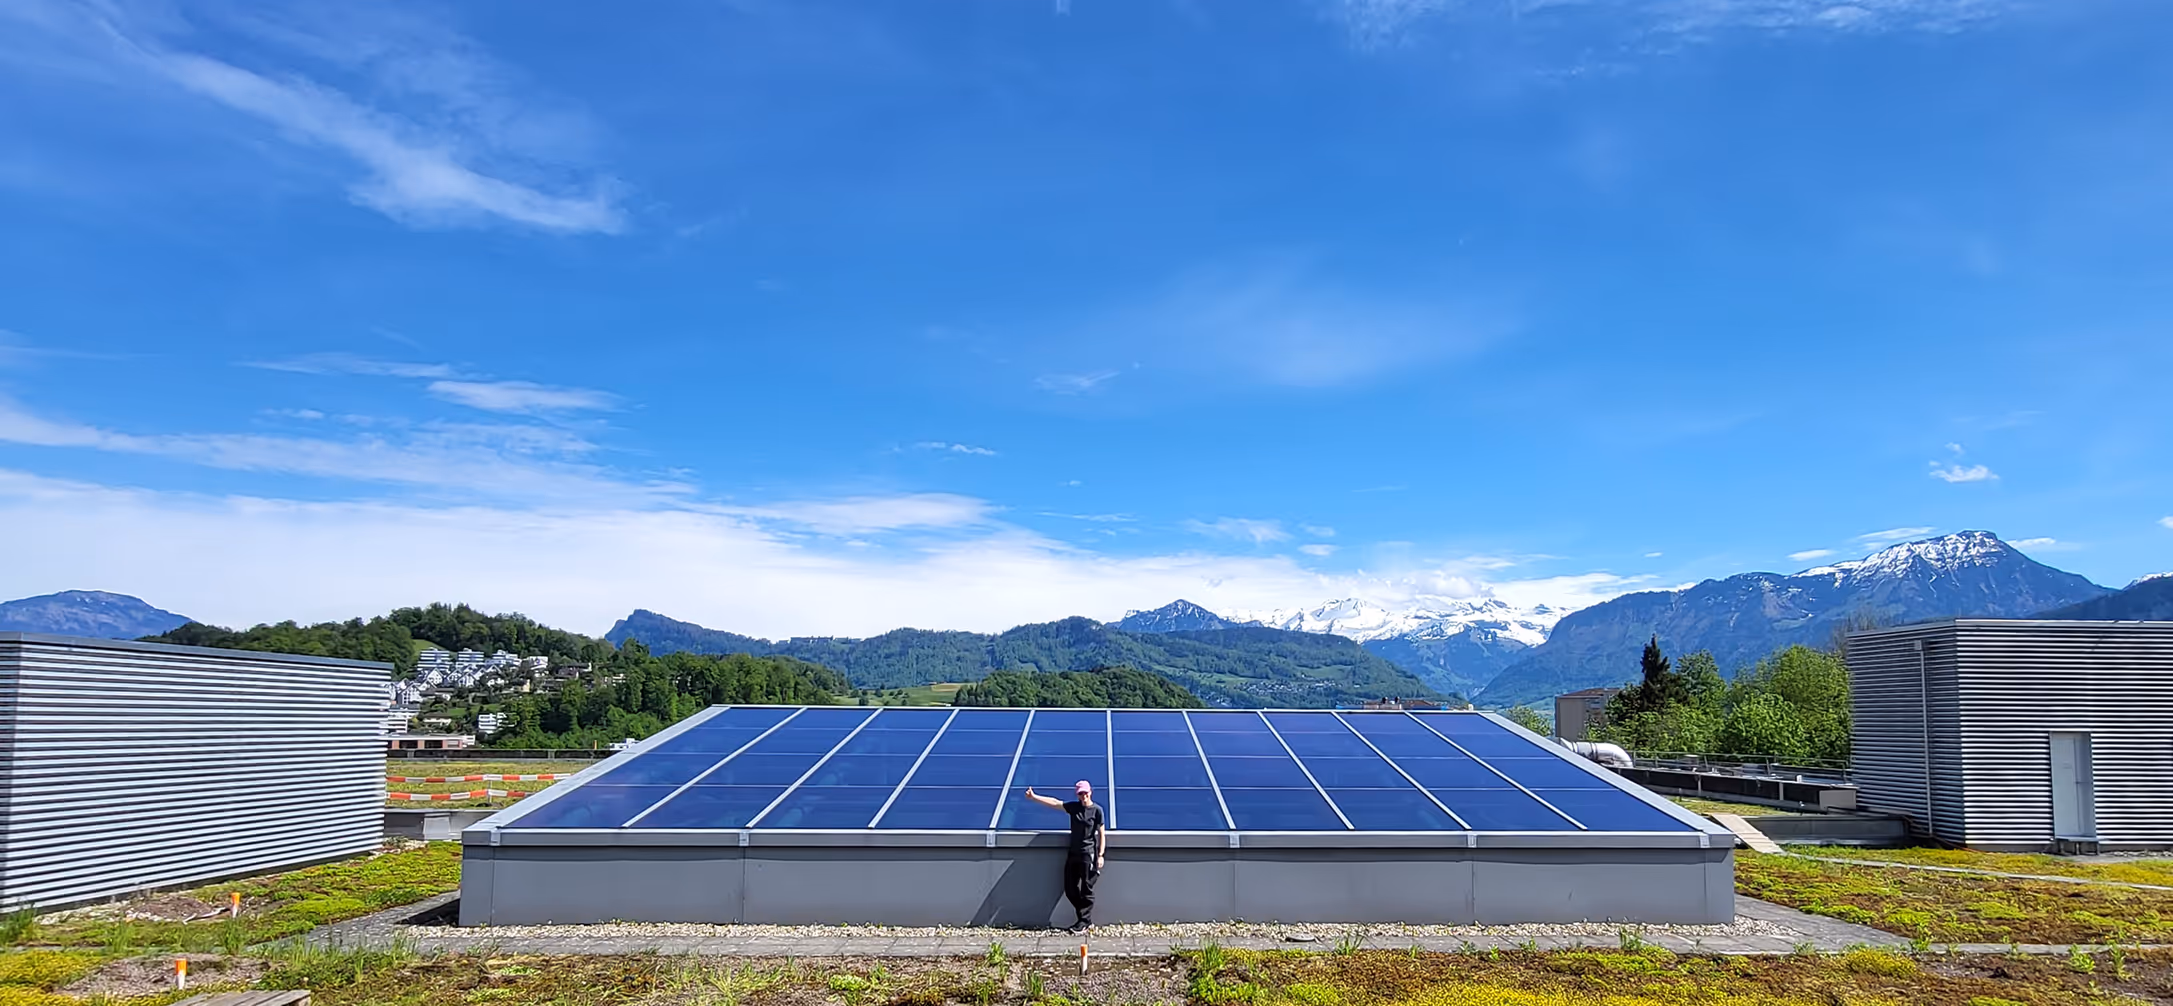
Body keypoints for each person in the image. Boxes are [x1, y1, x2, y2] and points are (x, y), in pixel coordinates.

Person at [1023, 780, 1105, 933]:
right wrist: (1034, 797)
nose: (1083, 796)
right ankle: (1085, 918)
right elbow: (1055, 803)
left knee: (1087, 889)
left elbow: (1101, 833)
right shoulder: (1074, 808)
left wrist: (1100, 855)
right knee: (1070, 888)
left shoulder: (1097, 811)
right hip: (1073, 853)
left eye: (1085, 792)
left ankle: (1084, 922)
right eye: (1080, 793)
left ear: (1090, 792)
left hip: (1088, 854)